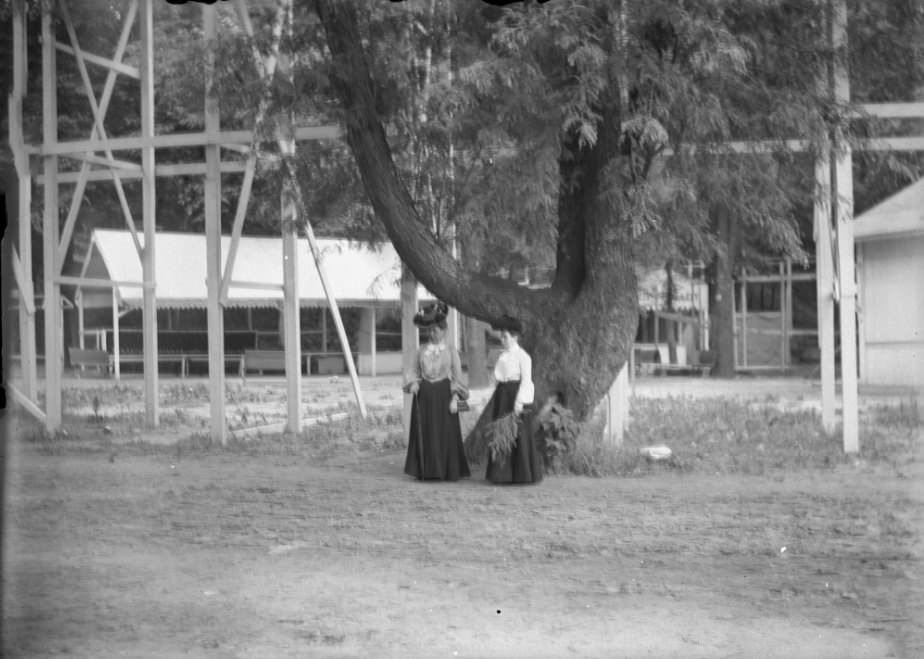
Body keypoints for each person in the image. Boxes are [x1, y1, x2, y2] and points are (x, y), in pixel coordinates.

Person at [403, 302, 471, 481]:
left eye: (435, 330)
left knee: (445, 434)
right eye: (429, 330)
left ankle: (446, 470)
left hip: (445, 397)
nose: (431, 334)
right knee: (426, 433)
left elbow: (458, 377)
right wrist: (414, 384)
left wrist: (456, 398)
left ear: (444, 330)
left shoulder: (450, 351)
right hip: (424, 397)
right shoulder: (421, 351)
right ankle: (426, 470)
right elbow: (413, 372)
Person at [484, 315, 544, 484]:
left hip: (515, 395)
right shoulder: (502, 356)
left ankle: (521, 473)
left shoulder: (523, 357)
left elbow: (526, 380)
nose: (503, 340)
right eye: (502, 337)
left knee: (518, 433)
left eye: (506, 337)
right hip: (503, 395)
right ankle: (501, 473)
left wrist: (520, 401)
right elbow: (498, 375)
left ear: (515, 337)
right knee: (501, 432)